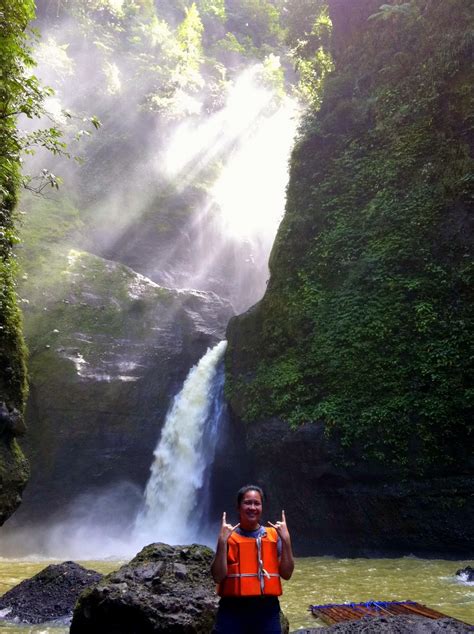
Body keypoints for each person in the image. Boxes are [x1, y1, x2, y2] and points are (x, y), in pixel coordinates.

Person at [211, 484, 294, 634]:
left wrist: (287, 540)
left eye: (257, 503)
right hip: (232, 611)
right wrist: (222, 543)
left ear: (262, 507)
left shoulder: (275, 536)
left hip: (266, 611)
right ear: (238, 507)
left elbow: (287, 574)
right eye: (247, 502)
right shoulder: (228, 536)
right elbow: (218, 576)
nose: (252, 507)